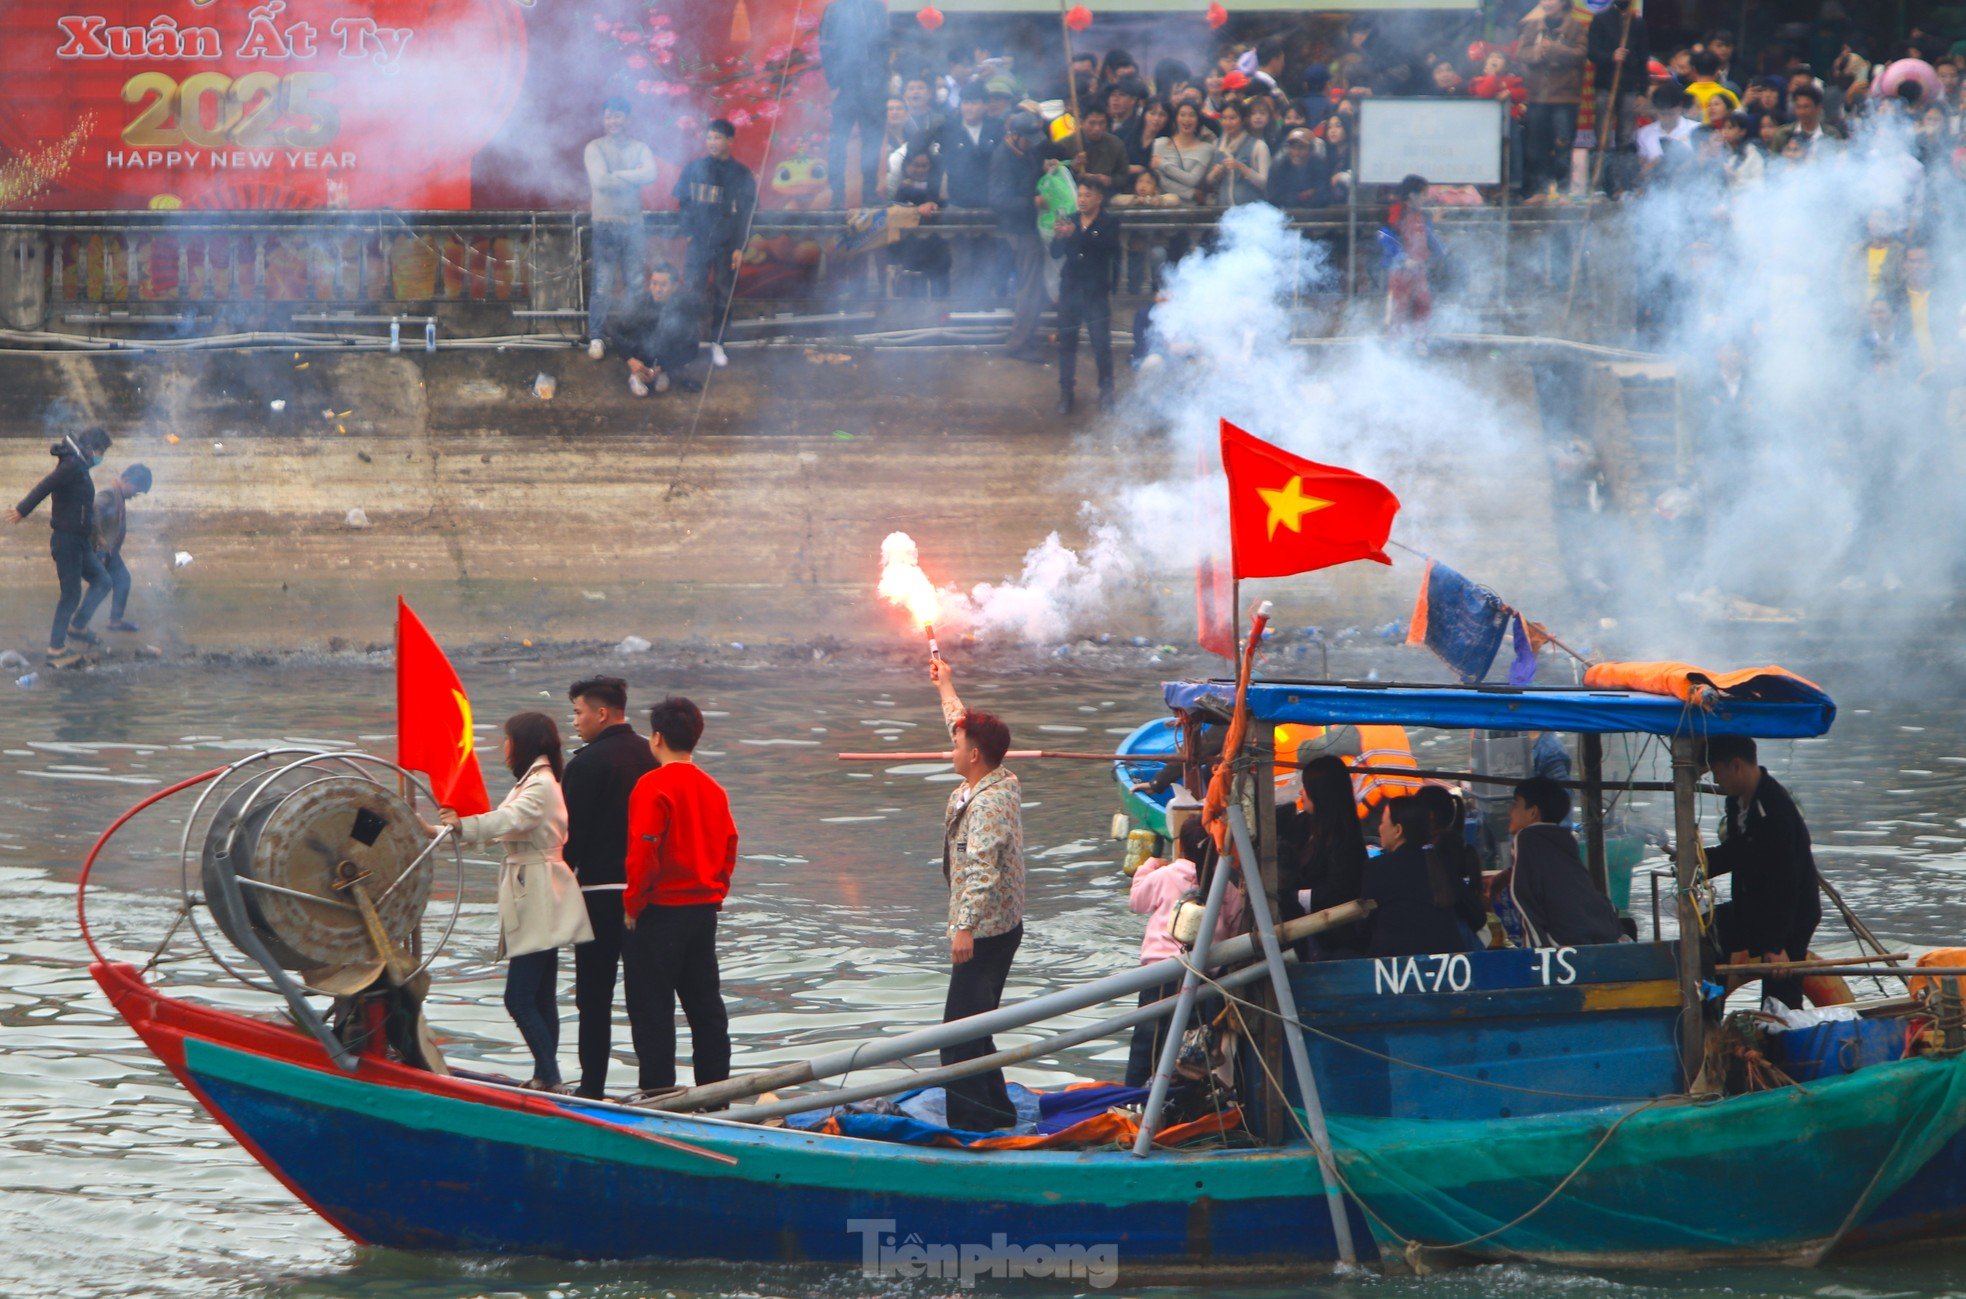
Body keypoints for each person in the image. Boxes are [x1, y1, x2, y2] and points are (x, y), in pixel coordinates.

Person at [443, 712, 594, 1091]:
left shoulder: (540, 785)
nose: (503, 748)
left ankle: (550, 1076)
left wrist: (460, 826)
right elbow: (505, 823)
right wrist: (461, 829)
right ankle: (545, 1075)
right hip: (539, 886)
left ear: (522, 743)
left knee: (519, 997)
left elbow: (507, 819)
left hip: (539, 891)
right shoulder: (538, 780)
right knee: (541, 994)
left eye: (507, 740)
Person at [622, 696, 739, 1097]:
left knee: (651, 1008)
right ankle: (715, 1094)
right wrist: (717, 892)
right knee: (705, 1005)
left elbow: (643, 851)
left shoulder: (651, 785)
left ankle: (659, 1094)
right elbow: (729, 847)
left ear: (656, 737)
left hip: (659, 911)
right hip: (703, 910)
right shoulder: (713, 788)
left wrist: (633, 905)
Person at [928, 658, 1025, 1131]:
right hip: (995, 926)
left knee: (958, 1037)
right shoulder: (991, 777)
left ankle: (971, 1128)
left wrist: (963, 928)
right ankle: (997, 1113)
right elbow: (959, 723)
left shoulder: (988, 805)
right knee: (978, 1026)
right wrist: (946, 686)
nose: (953, 745)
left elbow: (983, 873)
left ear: (974, 756)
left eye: (957, 743)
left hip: (985, 931)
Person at [561, 676, 658, 1099]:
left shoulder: (584, 765)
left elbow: (571, 839)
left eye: (579, 712)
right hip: (648, 895)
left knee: (594, 999)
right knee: (647, 997)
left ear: (602, 713)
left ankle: (592, 1088)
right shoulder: (653, 755)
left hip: (599, 892)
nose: (576, 722)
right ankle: (657, 1089)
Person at [1699, 734, 1821, 1011]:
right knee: (1707, 931)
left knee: (1780, 990)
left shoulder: (1773, 809)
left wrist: (1776, 945)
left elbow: (1784, 882)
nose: (1716, 781)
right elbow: (1737, 851)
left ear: (1737, 766)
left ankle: (1783, 1042)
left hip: (1790, 914)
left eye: (1717, 773)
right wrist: (1700, 862)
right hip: (1754, 906)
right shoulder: (1738, 802)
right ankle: (1709, 1013)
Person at [1125, 818, 1243, 1087]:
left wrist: (1148, 865)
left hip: (1159, 974)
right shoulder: (1223, 885)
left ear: (1181, 847)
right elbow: (1236, 924)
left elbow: (1137, 900)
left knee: (1147, 1042)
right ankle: (1184, 1098)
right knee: (1192, 1048)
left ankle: (1132, 1096)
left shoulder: (1165, 874)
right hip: (1203, 977)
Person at [7, 425, 112, 669]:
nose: (101, 456)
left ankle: (78, 626)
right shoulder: (72, 466)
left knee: (103, 580)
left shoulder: (80, 467)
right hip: (66, 540)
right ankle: (55, 648)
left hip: (81, 541)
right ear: (90, 448)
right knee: (71, 593)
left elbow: (84, 506)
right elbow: (46, 485)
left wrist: (96, 535)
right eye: (100, 451)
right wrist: (23, 510)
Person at [673, 120, 756, 372]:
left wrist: (739, 246)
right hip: (698, 243)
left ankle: (718, 343)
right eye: (709, 137)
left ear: (730, 141)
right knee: (691, 294)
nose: (712, 142)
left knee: (723, 296)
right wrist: (687, 232)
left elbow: (746, 214)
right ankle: (688, 344)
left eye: (718, 138)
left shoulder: (741, 174)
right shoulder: (693, 168)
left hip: (726, 246)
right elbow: (683, 203)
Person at [1359, 794, 1482, 958]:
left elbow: (1364, 927)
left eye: (1383, 822)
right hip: (1446, 966)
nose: (1380, 828)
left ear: (1398, 830)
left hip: (1394, 969)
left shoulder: (1377, 868)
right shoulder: (1440, 863)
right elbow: (1477, 915)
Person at [1506, 776, 1622, 948]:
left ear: (1533, 812)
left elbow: (1524, 897)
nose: (1510, 812)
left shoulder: (1526, 837)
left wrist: (1538, 953)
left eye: (1515, 804)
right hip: (1600, 931)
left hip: (1562, 941)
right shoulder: (1565, 839)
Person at [583, 98, 659, 362]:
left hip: (633, 225)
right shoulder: (594, 147)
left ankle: (633, 335)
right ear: (604, 119)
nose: (613, 121)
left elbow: (652, 174)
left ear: (628, 119)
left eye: (618, 116)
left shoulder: (640, 147)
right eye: (609, 116)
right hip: (604, 223)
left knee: (636, 285)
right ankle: (595, 337)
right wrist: (632, 175)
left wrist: (617, 174)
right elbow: (599, 182)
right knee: (602, 286)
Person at [1281, 755, 1370, 956]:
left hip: (1332, 939)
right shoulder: (1300, 825)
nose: (1301, 792)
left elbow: (1341, 891)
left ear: (1321, 793)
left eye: (1306, 788)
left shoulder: (1347, 839)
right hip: (1294, 929)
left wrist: (1295, 897)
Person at [1049, 180, 1120, 416]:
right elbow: (1055, 253)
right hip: (1070, 289)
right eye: (1079, 195)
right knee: (1067, 344)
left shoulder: (1109, 222)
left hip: (1095, 291)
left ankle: (1107, 391)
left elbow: (1106, 248)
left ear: (1098, 198)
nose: (1082, 200)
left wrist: (1076, 236)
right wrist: (1059, 237)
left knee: (1101, 344)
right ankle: (1065, 393)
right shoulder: (1070, 219)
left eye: (1087, 195)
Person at [819, 0, 892, 208]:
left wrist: (883, 78)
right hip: (846, 87)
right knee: (838, 145)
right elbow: (826, 46)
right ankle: (837, 197)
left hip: (874, 90)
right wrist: (834, 83)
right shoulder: (835, 8)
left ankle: (869, 193)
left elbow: (884, 44)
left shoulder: (877, 7)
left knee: (872, 144)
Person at [989, 111, 1050, 362]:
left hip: (1031, 228)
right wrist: (1031, 202)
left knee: (1034, 287)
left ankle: (1028, 334)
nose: (1032, 143)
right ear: (1014, 135)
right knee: (1029, 288)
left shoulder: (1028, 151)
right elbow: (998, 200)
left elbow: (1031, 174)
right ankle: (1018, 342)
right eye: (1028, 138)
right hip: (1019, 230)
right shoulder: (1002, 158)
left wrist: (1046, 168)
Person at [1587, 0, 1650, 195]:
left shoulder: (1637, 23)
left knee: (1625, 137)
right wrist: (1611, 56)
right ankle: (1600, 183)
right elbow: (1592, 53)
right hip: (1606, 85)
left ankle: (1623, 183)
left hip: (1629, 86)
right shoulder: (1600, 20)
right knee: (1603, 136)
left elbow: (1643, 59)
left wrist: (1643, 92)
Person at [610, 264, 700, 396]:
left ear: (674, 287)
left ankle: (662, 372)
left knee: (675, 331)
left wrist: (663, 366)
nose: (657, 289)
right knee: (638, 332)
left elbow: (692, 347)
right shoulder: (640, 303)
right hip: (640, 355)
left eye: (663, 285)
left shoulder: (683, 308)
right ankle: (637, 374)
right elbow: (615, 332)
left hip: (665, 356)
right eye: (654, 283)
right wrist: (630, 359)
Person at [87, 463, 151, 636]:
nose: (134, 495)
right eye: (136, 490)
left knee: (122, 580)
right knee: (102, 585)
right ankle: (79, 624)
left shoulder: (118, 497)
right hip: (100, 549)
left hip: (109, 550)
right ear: (126, 479)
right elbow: (93, 511)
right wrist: (99, 539)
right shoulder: (108, 494)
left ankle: (114, 620)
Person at [1379, 175, 1444, 341]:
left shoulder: (1422, 216)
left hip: (1419, 270)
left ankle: (1419, 343)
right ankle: (1393, 347)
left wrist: (1441, 252)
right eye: (1423, 194)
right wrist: (1402, 258)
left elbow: (1429, 238)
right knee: (1398, 310)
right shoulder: (1396, 212)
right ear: (1412, 195)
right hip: (1399, 271)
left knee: (1422, 306)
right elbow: (1384, 236)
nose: (1425, 198)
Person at [1206, 100, 1271, 205]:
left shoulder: (1258, 146)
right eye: (1224, 118)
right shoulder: (1216, 145)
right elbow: (1208, 181)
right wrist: (1214, 173)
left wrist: (1242, 167)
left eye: (1232, 118)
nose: (1227, 122)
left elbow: (1265, 183)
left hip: (1251, 210)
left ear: (1243, 120)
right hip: (1223, 210)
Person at [1152, 102, 1215, 203]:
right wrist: (1190, 193)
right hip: (1163, 206)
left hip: (1192, 211)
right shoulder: (1160, 144)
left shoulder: (1207, 149)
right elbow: (1157, 179)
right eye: (1182, 115)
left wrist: (1163, 164)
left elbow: (1193, 180)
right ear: (1176, 118)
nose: (1186, 119)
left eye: (1191, 115)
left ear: (1198, 119)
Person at [1063, 107, 1129, 197]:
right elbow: (1058, 176)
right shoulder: (1066, 145)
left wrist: (1110, 180)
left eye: (1102, 123)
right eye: (1092, 123)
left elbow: (1124, 175)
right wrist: (1074, 169)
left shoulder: (1115, 144)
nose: (1097, 128)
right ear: (1081, 122)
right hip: (1074, 196)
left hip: (1105, 195)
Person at [1637, 85, 1698, 180]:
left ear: (1680, 107)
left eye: (1671, 114)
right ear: (1656, 110)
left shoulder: (1696, 129)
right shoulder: (1644, 133)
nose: (1666, 119)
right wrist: (1650, 168)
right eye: (1662, 114)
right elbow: (1641, 168)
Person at [1269, 127, 1332, 207]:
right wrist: (1303, 196)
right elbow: (1274, 197)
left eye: (1302, 148)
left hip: (1315, 215)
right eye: (1292, 147)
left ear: (1311, 149)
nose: (1296, 153)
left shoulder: (1320, 165)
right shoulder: (1279, 165)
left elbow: (1324, 196)